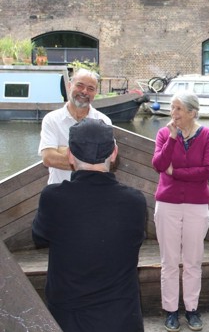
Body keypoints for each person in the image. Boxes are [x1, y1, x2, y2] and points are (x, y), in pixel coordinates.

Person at [32, 118, 147, 332]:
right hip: (122, 317)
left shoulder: (53, 198)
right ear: (114, 153)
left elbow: (39, 236)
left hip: (68, 318)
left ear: (70, 156)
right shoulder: (135, 201)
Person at [152, 91, 209, 332]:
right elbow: (158, 165)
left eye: (179, 109)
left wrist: (175, 173)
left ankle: (192, 309)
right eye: (172, 108)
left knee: (192, 261)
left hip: (197, 206)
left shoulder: (207, 135)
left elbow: (208, 171)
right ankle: (170, 311)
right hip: (167, 204)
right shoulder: (164, 133)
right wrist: (171, 138)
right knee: (169, 261)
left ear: (192, 112)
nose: (173, 113)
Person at [38, 68, 111, 184]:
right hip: (59, 193)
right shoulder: (51, 119)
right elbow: (48, 158)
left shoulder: (104, 121)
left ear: (95, 93)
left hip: (93, 192)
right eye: (80, 85)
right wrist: (92, 160)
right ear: (69, 86)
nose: (84, 91)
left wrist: (64, 151)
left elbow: (111, 160)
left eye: (90, 88)